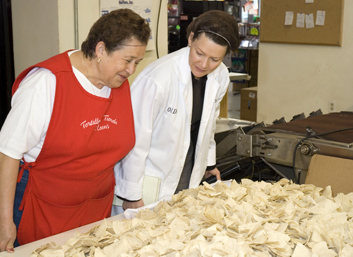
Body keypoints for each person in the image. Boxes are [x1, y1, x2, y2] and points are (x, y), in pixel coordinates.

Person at [0, 8, 150, 253]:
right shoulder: (46, 83)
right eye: (128, 60)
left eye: (137, 62)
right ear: (100, 50)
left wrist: (132, 196)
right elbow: (7, 154)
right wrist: (4, 222)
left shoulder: (117, 82)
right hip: (45, 211)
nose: (132, 70)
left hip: (95, 213)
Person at [114, 10, 240, 211]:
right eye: (199, 53)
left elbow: (209, 124)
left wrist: (208, 164)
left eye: (215, 59)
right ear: (190, 39)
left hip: (188, 173)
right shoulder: (157, 78)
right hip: (150, 180)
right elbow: (134, 140)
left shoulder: (220, 76)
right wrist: (130, 193)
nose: (204, 64)